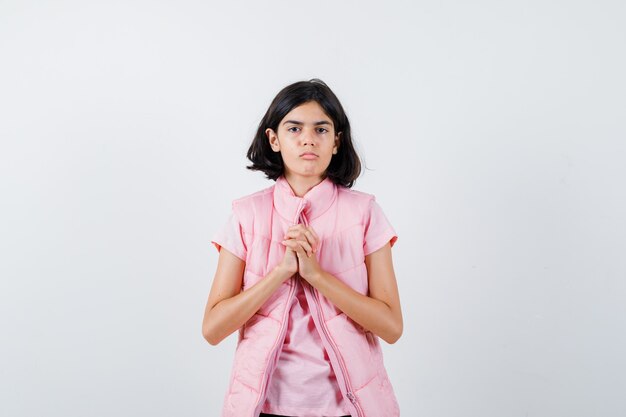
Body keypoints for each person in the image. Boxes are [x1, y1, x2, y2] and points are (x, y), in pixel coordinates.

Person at [202, 79, 403, 417]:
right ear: (274, 139)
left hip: (349, 410)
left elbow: (391, 327)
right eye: (294, 128)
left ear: (337, 141)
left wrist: (317, 275)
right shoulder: (246, 215)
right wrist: (281, 272)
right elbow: (213, 329)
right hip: (263, 409)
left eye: (321, 129)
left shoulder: (365, 213)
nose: (308, 138)